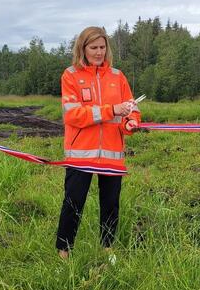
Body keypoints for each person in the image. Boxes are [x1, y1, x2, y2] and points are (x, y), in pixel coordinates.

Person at [56, 26, 141, 260]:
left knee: (111, 204)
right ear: (82, 48)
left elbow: (133, 110)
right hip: (80, 155)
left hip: (112, 155)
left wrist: (130, 123)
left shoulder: (117, 76)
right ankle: (64, 252)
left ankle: (107, 249)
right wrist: (111, 110)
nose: (99, 52)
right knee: (73, 203)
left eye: (102, 47)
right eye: (93, 47)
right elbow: (73, 115)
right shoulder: (71, 75)